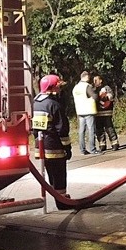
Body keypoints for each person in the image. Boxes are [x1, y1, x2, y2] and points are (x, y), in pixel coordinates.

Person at [31, 74, 74, 210]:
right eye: (58, 87)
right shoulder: (54, 105)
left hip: (43, 147)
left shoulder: (36, 103)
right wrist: (67, 148)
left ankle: (58, 198)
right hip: (56, 148)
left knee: (51, 175)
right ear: (52, 88)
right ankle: (62, 202)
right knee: (60, 175)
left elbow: (34, 128)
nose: (60, 89)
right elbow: (62, 129)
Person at [72, 71, 100, 155]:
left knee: (81, 131)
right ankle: (92, 149)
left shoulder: (76, 87)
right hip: (89, 110)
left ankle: (82, 149)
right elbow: (94, 96)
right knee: (91, 130)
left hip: (80, 111)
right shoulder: (87, 86)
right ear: (87, 77)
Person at [93, 74, 120, 152]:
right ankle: (102, 144)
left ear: (100, 80)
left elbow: (111, 97)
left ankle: (114, 143)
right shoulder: (94, 89)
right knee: (99, 129)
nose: (94, 82)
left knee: (109, 128)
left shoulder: (106, 88)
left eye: (96, 80)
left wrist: (102, 97)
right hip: (97, 112)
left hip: (106, 111)